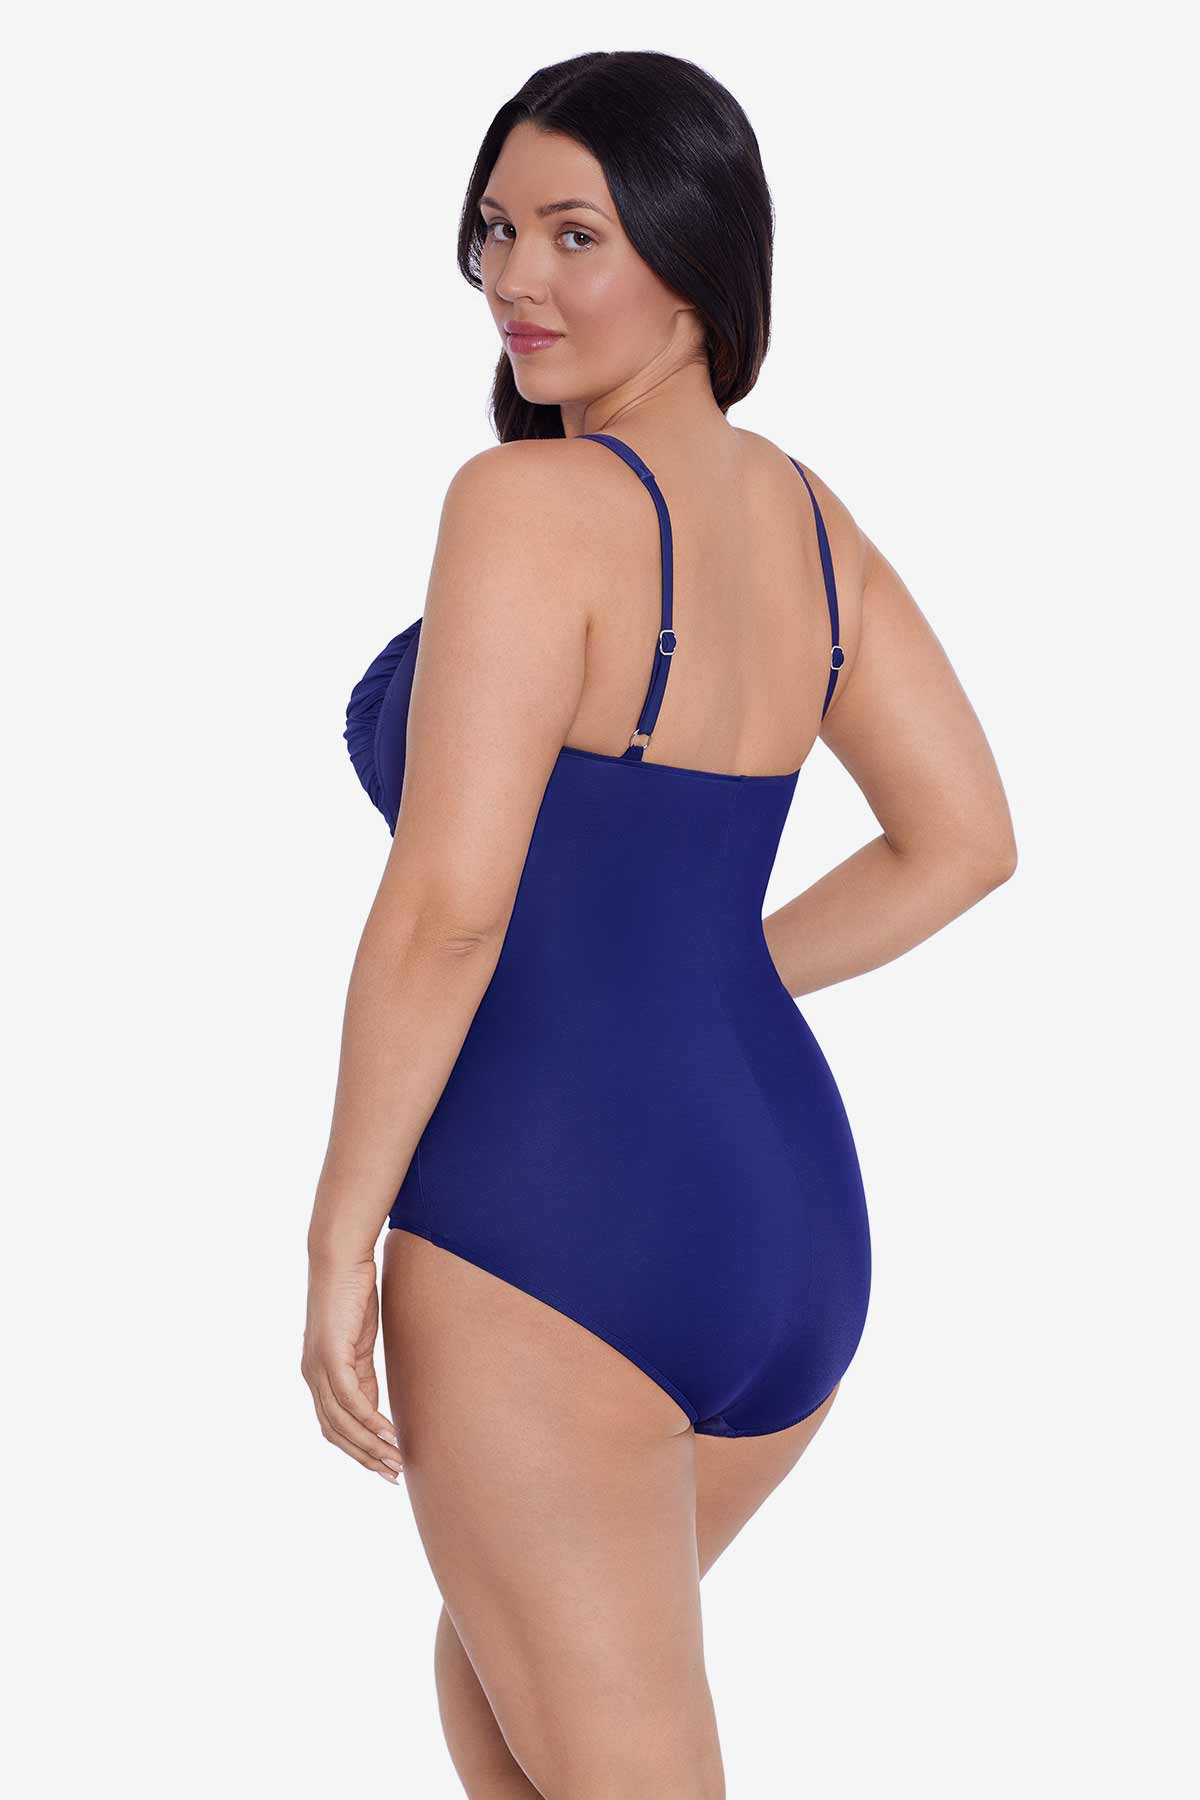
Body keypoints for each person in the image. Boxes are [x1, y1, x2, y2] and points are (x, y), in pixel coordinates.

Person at [303, 49, 1017, 1800]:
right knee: (500, 1699)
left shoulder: (524, 507)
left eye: (577, 234)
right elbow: (963, 842)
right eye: (495, 230)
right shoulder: (804, 517)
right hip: (788, 1225)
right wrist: (712, 986)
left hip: (551, 1225)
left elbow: (447, 915)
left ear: (698, 256)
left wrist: (337, 1234)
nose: (516, 279)